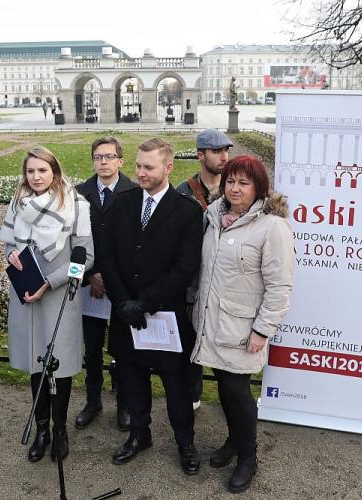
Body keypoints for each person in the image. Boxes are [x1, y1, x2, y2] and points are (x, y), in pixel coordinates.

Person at [99, 137, 203, 475]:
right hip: (126, 313)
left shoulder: (187, 211)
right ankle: (139, 435)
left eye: (148, 167)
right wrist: (122, 301)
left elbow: (184, 268)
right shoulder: (123, 203)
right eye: (138, 166)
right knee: (132, 379)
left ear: (168, 167)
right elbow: (108, 255)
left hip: (163, 315)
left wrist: (144, 303)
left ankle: (185, 443)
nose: (140, 173)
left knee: (176, 386)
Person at [191, 155, 293, 493]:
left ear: (258, 188)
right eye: (231, 181)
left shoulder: (272, 227)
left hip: (243, 328)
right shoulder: (215, 216)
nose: (235, 188)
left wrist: (263, 330)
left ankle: (248, 457)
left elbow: (279, 286)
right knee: (223, 386)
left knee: (238, 391)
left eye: (244, 183)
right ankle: (234, 442)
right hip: (213, 322)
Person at [1, 146, 94, 463]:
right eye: (30, 171)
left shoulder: (77, 204)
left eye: (42, 170)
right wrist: (10, 257)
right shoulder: (18, 204)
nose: (36, 177)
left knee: (60, 366)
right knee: (35, 364)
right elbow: (10, 247)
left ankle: (60, 430)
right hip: (27, 296)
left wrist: (50, 282)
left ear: (54, 170)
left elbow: (85, 260)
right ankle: (42, 430)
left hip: (58, 298)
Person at [74, 137, 139, 431]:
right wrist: (91, 275)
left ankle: (125, 403)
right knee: (92, 347)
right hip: (91, 284)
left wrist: (111, 278)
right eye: (98, 157)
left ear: (120, 161)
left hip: (122, 285)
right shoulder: (79, 193)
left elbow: (137, 244)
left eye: (109, 157)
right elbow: (74, 241)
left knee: (124, 349)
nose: (103, 162)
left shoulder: (135, 192)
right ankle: (93, 401)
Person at [176, 128, 234, 411]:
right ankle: (193, 394)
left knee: (227, 342)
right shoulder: (183, 191)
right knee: (191, 341)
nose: (224, 156)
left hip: (226, 282)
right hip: (192, 282)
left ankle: (231, 400)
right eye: (216, 151)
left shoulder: (236, 189)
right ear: (201, 155)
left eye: (226, 150)